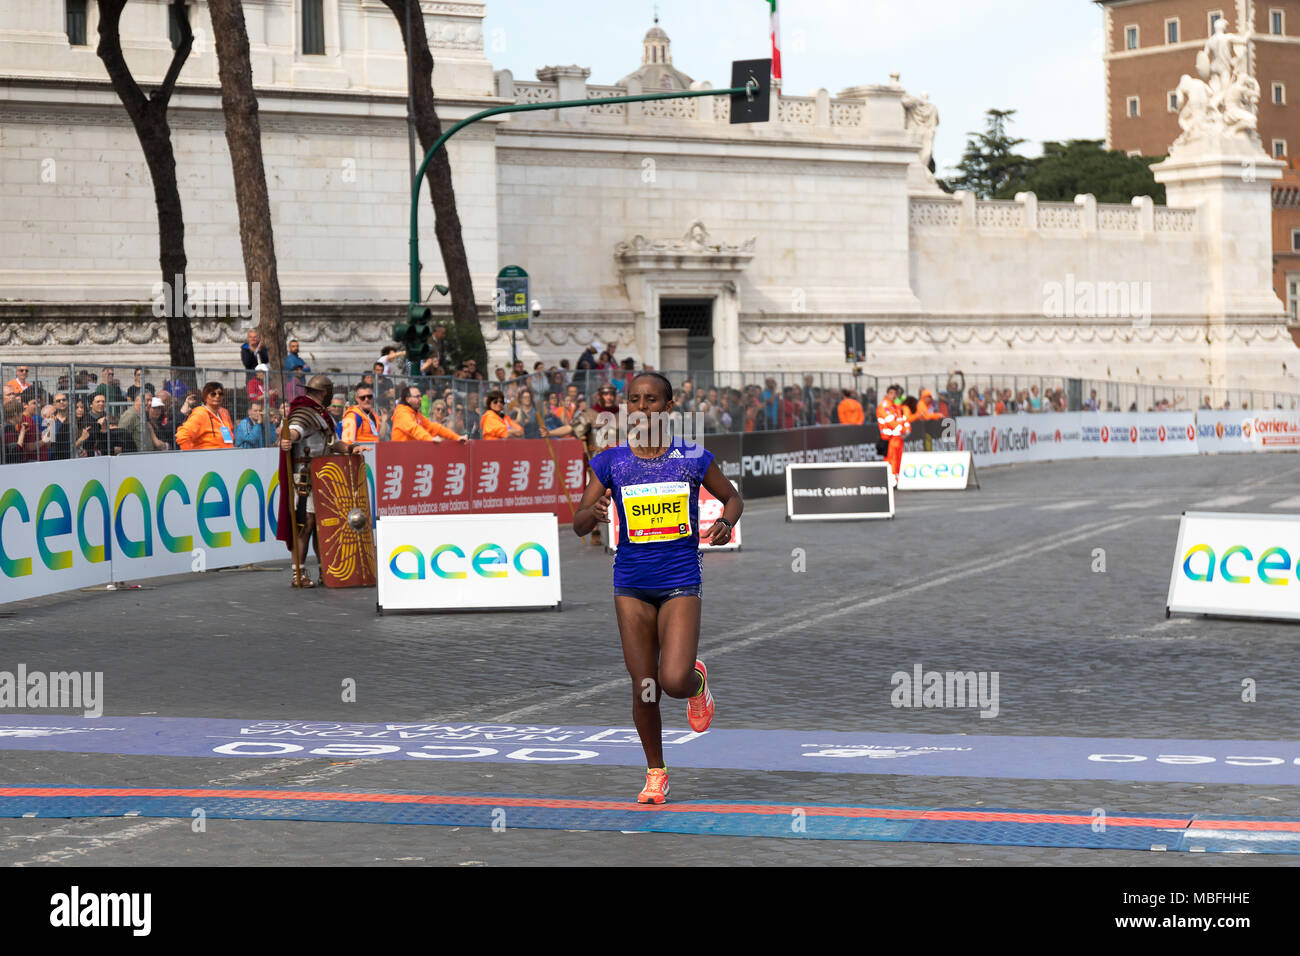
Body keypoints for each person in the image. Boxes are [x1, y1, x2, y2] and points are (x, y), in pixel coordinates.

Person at [572, 371, 743, 805]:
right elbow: (576, 524)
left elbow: (733, 497)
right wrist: (594, 511)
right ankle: (656, 772)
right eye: (635, 399)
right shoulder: (611, 461)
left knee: (672, 679)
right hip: (631, 583)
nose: (642, 407)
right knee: (644, 684)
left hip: (680, 579)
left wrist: (726, 522)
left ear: (668, 409)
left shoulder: (691, 457)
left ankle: (696, 684)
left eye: (651, 400)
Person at [276, 375, 363, 588]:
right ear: (325, 392)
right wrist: (289, 438)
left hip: (323, 476)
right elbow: (295, 430)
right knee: (306, 524)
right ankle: (299, 572)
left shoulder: (322, 415)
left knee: (323, 524)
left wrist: (352, 448)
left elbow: (333, 443)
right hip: (305, 476)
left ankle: (327, 569)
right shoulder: (304, 412)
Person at [392, 385, 465, 443]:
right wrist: (430, 439)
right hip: (401, 455)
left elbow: (433, 427)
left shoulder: (415, 413)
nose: (420, 399)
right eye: (417, 397)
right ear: (407, 399)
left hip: (410, 453)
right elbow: (413, 428)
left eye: (420, 396)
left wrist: (456, 437)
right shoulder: (401, 413)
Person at [175, 382, 235, 451]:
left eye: (220, 394)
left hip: (228, 457)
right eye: (213, 394)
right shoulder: (200, 413)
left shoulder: (224, 412)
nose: (217, 396)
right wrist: (191, 456)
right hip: (208, 459)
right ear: (205, 397)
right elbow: (182, 435)